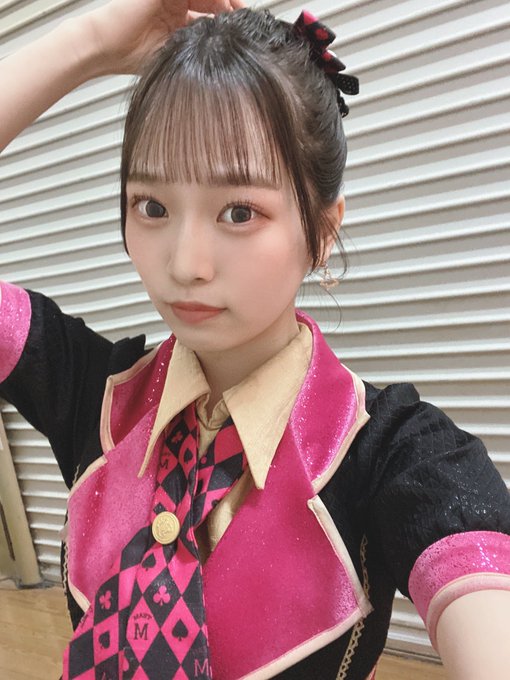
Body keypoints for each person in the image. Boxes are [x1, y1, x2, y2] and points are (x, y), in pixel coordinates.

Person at [0, 1, 509, 679]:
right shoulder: (93, 395)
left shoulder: (391, 453)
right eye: (152, 206)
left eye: (239, 212)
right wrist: (87, 42)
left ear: (322, 232)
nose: (186, 264)